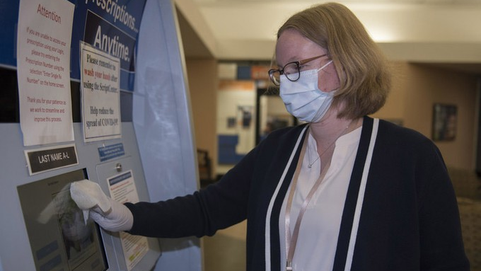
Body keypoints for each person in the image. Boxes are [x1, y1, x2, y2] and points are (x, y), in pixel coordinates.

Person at [70, 2, 470, 271]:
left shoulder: (410, 157)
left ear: (345, 62)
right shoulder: (278, 151)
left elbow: (445, 262)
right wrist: (127, 215)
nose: (284, 81)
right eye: (280, 70)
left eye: (297, 65)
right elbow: (206, 210)